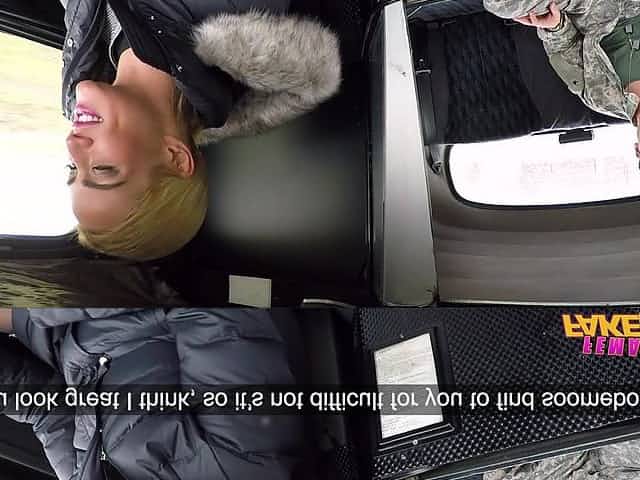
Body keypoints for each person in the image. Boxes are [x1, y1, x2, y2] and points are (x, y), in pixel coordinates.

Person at [60, 0, 342, 261]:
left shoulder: (88, 53)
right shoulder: (232, 9)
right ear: (175, 157)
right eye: (101, 169)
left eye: (73, 168)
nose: (72, 144)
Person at [0, 308, 303, 479]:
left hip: (64, 333)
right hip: (120, 276)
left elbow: (47, 408)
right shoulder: (235, 465)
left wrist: (20, 317)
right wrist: (33, 306)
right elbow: (214, 304)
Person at [483, 0, 640, 157]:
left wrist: (555, 26)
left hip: (589, 7)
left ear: (637, 148)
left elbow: (567, 47)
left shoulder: (601, 99)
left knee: (501, 4)